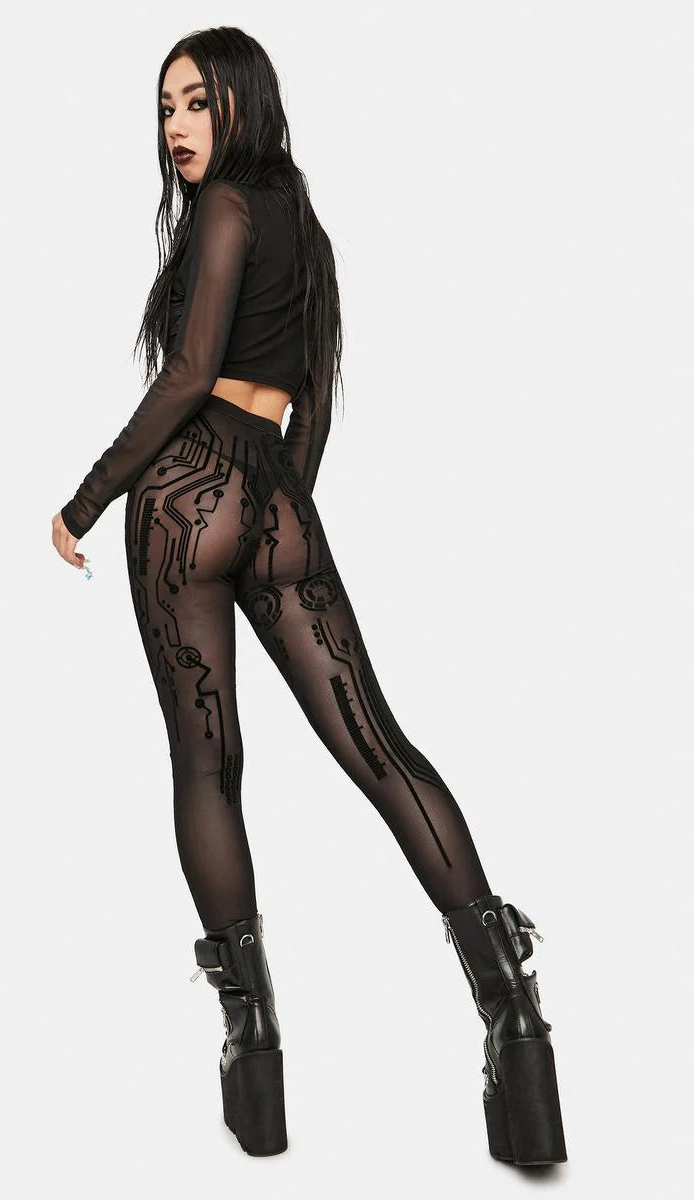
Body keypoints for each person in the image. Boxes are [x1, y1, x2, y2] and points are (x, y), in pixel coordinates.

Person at [51, 26, 567, 1165]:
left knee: (207, 767)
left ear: (242, 100)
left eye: (196, 101)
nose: (176, 126)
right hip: (275, 496)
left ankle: (254, 1051)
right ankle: (515, 1018)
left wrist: (85, 500)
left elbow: (189, 375)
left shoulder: (226, 207)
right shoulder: (308, 227)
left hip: (183, 495)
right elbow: (313, 398)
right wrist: (278, 513)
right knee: (381, 748)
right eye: (165, 107)